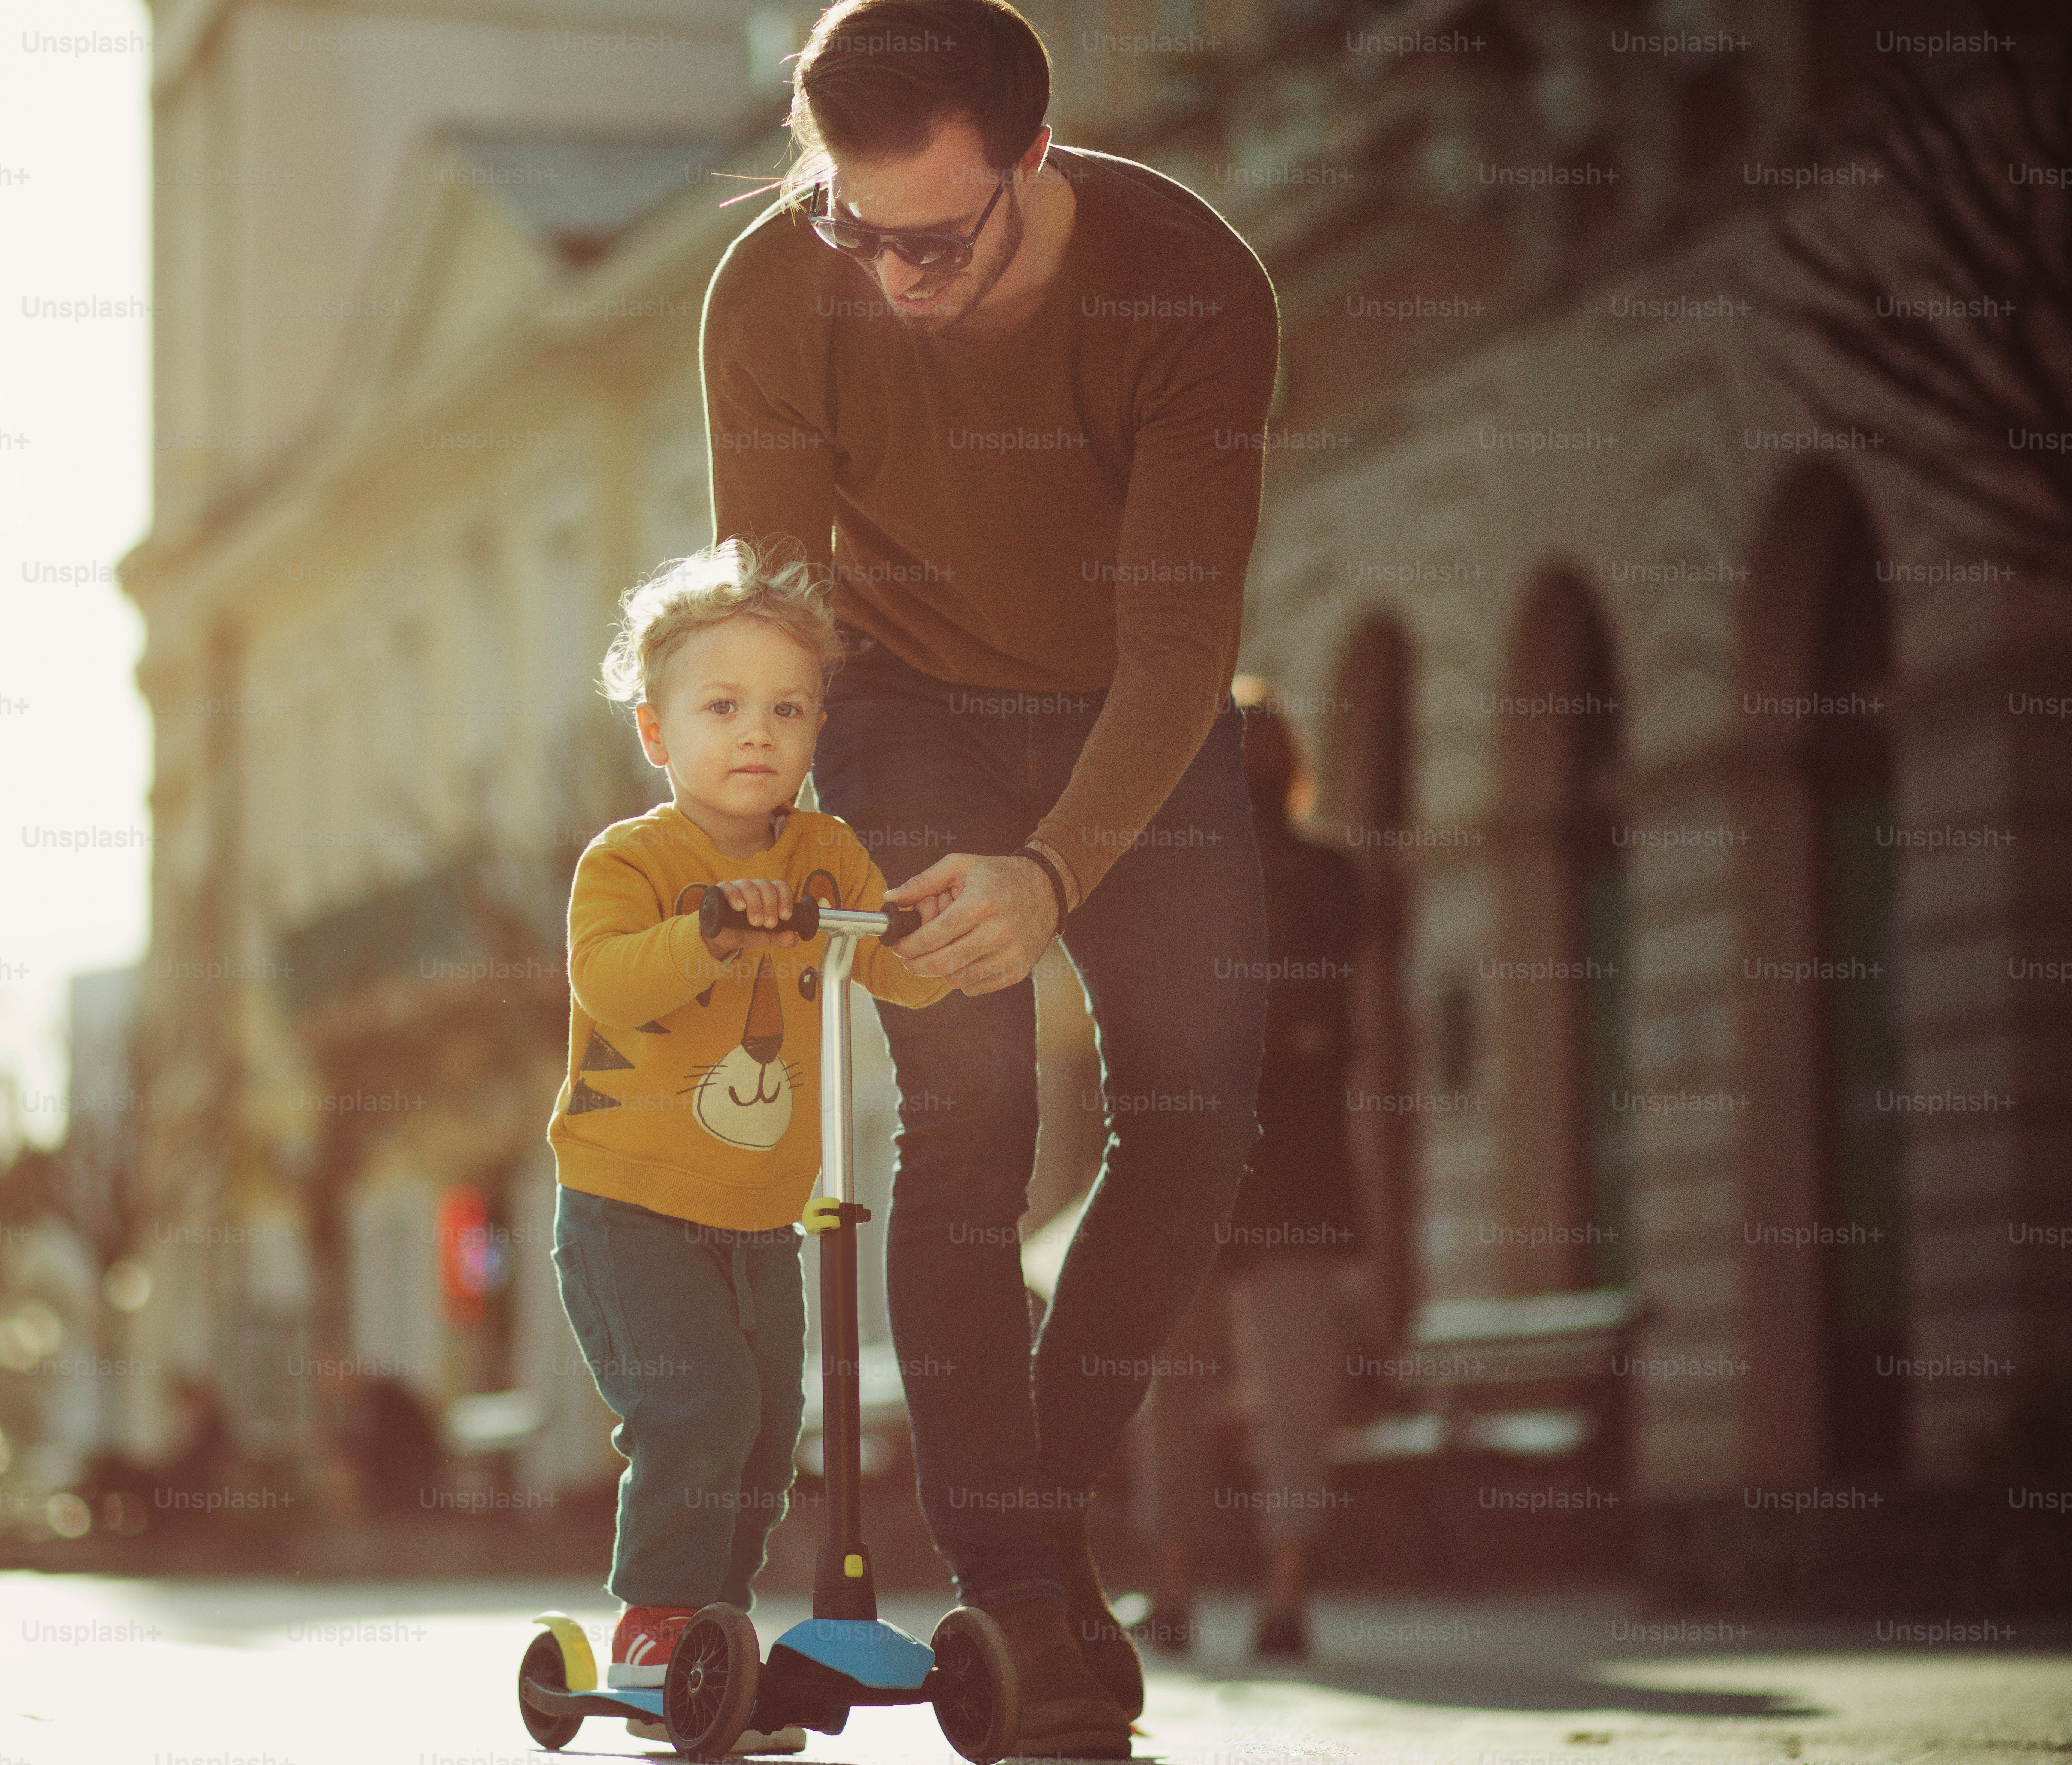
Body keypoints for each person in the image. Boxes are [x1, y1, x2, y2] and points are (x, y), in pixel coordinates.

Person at [702, 1, 1281, 1751]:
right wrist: (752, 845)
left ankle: (1035, 1515)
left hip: (1134, 714)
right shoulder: (773, 290)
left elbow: (1179, 643)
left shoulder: (1192, 285)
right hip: (908, 711)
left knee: (1197, 1113)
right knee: (968, 1116)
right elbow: (779, 611)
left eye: (935, 243)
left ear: (1034, 155)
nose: (890, 279)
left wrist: (1055, 865)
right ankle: (1021, 1587)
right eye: (851, 226)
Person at [547, 538, 955, 1756]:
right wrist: (713, 931)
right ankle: (659, 1628)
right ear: (657, 731)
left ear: (819, 724)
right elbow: (613, 984)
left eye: (787, 708)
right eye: (722, 707)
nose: (758, 734)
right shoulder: (632, 861)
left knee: (772, 1430)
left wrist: (945, 938)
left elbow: (894, 966)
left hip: (764, 1215)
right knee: (701, 1409)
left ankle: (713, 1640)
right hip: (630, 1209)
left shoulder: (824, 853)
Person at [1128, 687, 1362, 1662]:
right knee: (1298, 1392)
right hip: (1304, 1168)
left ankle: (1173, 1591)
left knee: (1172, 1384)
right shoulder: (1335, 874)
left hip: (1197, 1160)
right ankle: (1286, 1596)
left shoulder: (1178, 871)